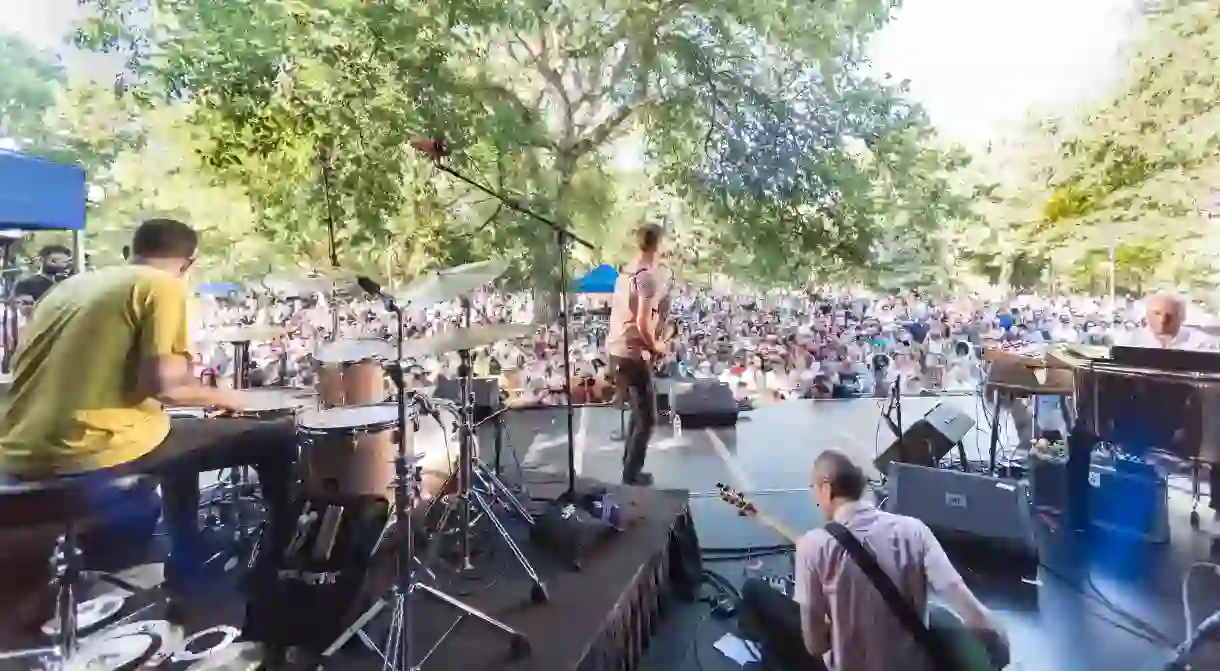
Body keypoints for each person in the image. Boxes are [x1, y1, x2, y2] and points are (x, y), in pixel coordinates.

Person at [0, 218, 296, 618]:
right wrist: (232, 398)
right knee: (277, 437)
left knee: (180, 441)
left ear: (131, 253)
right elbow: (169, 387)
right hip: (88, 448)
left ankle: (188, 559)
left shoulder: (70, 288)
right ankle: (274, 572)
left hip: (17, 448)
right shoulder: (163, 287)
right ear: (188, 264)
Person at [738, 450, 1006, 671]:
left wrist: (844, 628)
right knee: (935, 614)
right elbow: (972, 611)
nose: (815, 498)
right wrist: (998, 647)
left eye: (814, 489)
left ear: (827, 488)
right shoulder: (914, 529)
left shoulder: (814, 545)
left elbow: (816, 646)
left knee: (755, 591)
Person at [606, 222, 668, 486]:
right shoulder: (645, 277)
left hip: (617, 350)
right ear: (658, 244)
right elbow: (642, 323)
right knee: (648, 419)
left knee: (637, 413)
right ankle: (631, 476)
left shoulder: (625, 273)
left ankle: (628, 468)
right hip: (632, 354)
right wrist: (656, 346)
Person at [10, 244, 74, 310]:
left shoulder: (71, 283)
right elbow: (18, 305)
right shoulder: (26, 283)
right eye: (54, 261)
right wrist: (24, 306)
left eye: (63, 261)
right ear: (42, 260)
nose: (59, 264)